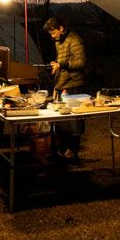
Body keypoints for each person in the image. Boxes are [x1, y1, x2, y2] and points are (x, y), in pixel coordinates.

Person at [43, 15, 87, 160]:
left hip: (74, 84)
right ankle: (62, 150)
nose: (52, 36)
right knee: (61, 120)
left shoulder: (74, 40)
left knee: (73, 120)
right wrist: (56, 64)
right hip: (62, 83)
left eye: (53, 32)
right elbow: (63, 59)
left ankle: (72, 152)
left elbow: (81, 62)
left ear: (61, 28)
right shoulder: (59, 41)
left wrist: (61, 65)